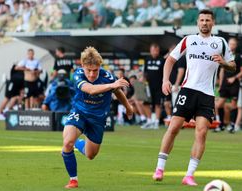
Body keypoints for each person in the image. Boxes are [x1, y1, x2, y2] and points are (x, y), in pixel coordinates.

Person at [152, 9, 235, 186]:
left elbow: (233, 66)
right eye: (202, 20)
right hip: (188, 90)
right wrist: (165, 80)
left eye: (208, 20)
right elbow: (170, 60)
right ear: (198, 23)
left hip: (207, 95)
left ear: (213, 23)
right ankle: (159, 168)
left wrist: (224, 63)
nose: (204, 23)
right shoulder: (189, 40)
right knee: (174, 127)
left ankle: (189, 175)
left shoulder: (220, 43)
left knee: (202, 132)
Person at [61, 47, 133, 189]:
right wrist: (113, 85)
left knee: (90, 155)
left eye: (95, 70)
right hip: (79, 112)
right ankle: (73, 180)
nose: (92, 74)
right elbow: (91, 90)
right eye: (89, 70)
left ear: (100, 66)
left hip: (98, 118)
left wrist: (128, 107)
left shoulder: (107, 77)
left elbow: (118, 92)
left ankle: (78, 143)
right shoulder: (78, 74)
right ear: (83, 66)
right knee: (67, 142)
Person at [214, 37, 242, 132]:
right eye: (230, 44)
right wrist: (221, 83)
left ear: (236, 45)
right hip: (225, 84)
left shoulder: (239, 56)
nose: (231, 46)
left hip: (234, 84)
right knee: (219, 105)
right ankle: (221, 125)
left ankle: (232, 125)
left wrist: (234, 78)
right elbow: (222, 70)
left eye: (233, 44)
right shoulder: (224, 56)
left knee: (233, 104)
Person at [141, 43, 165, 129]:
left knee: (158, 104)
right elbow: (145, 72)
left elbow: (165, 72)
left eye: (156, 50)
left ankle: (156, 122)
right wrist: (143, 79)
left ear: (158, 51)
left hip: (159, 86)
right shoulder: (147, 59)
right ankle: (149, 121)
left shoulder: (162, 59)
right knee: (145, 103)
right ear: (150, 51)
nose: (154, 52)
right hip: (148, 86)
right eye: (153, 50)